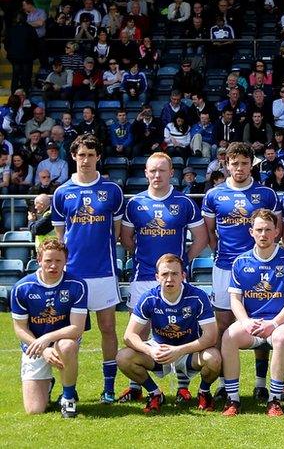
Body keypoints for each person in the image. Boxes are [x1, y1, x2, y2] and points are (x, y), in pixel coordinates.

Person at [117, 152, 209, 402]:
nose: (157, 175)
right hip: (143, 275)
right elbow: (126, 238)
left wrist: (181, 262)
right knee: (137, 333)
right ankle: (136, 387)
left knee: (183, 330)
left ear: (171, 173)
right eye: (152, 171)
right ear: (146, 173)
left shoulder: (185, 203)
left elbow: (201, 238)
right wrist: (144, 258)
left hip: (176, 278)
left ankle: (183, 386)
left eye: (162, 170)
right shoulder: (135, 203)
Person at [201, 142, 281, 400]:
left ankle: (260, 382)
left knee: (259, 322)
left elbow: (273, 229)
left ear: (252, 165)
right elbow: (211, 232)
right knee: (223, 324)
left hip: (260, 268)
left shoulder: (266, 194)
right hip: (225, 266)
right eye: (234, 164)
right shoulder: (214, 195)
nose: (239, 168)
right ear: (226, 165)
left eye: (244, 163)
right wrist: (222, 254)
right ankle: (226, 382)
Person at [51, 134, 124, 403]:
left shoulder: (112, 191)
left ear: (98, 157)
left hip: (104, 271)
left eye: (90, 155)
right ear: (73, 156)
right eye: (81, 155)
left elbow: (116, 233)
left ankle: (109, 388)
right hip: (73, 275)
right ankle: (67, 387)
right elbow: (61, 236)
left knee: (108, 328)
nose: (86, 159)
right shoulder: (62, 193)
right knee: (72, 334)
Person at [220, 210, 284, 416]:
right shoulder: (240, 262)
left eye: (268, 229)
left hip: (278, 322)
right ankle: (233, 400)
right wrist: (246, 322)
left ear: (276, 232)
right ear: (251, 232)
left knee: (283, 337)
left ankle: (274, 400)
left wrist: (273, 324)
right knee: (228, 336)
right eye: (259, 230)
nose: (263, 234)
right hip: (252, 323)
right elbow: (235, 300)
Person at [116, 254, 222, 413]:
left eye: (175, 274)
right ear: (157, 277)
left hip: (188, 352)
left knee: (213, 358)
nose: (169, 278)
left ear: (183, 276)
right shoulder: (149, 298)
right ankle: (155, 393)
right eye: (165, 274)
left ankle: (204, 392)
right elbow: (129, 336)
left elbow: (211, 336)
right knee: (123, 357)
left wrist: (179, 350)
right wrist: (150, 350)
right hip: (159, 351)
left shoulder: (197, 296)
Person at [10, 239, 87, 417]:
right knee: (34, 410)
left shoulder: (77, 285)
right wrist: (42, 347)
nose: (53, 266)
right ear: (39, 260)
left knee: (67, 346)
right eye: (48, 261)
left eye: (58, 261)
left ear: (65, 261)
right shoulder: (22, 288)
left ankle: (68, 398)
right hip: (34, 345)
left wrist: (47, 339)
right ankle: (49, 384)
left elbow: (77, 328)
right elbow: (20, 329)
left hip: (63, 341)